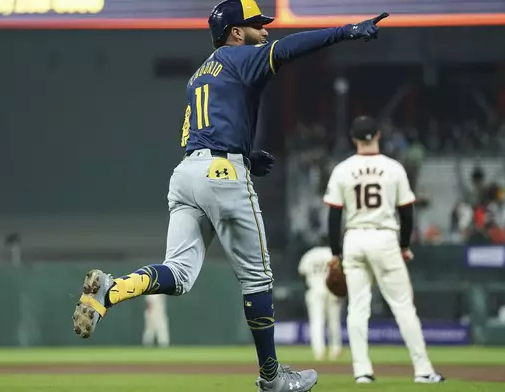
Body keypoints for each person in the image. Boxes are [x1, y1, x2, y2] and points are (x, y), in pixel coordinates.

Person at [71, 1, 389, 391]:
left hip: (187, 173)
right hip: (221, 171)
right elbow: (290, 49)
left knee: (180, 273)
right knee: (258, 278)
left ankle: (112, 290)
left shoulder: (198, 76)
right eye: (256, 24)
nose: (264, 30)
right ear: (236, 33)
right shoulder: (241, 57)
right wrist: (347, 31)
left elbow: (204, 131)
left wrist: (247, 155)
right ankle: (272, 377)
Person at [323, 115, 445, 384]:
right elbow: (407, 212)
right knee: (403, 307)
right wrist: (404, 246)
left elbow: (334, 216)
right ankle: (423, 370)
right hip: (385, 237)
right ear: (378, 135)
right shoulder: (393, 168)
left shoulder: (343, 169)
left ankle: (362, 372)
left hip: (354, 238)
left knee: (357, 308)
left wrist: (335, 252)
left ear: (353, 138)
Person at [297, 241, 343, 361]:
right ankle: (336, 348)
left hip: (315, 289)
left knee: (317, 322)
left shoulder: (310, 255)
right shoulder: (332, 254)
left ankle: (319, 352)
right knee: (334, 321)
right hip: (332, 291)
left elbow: (301, 273)